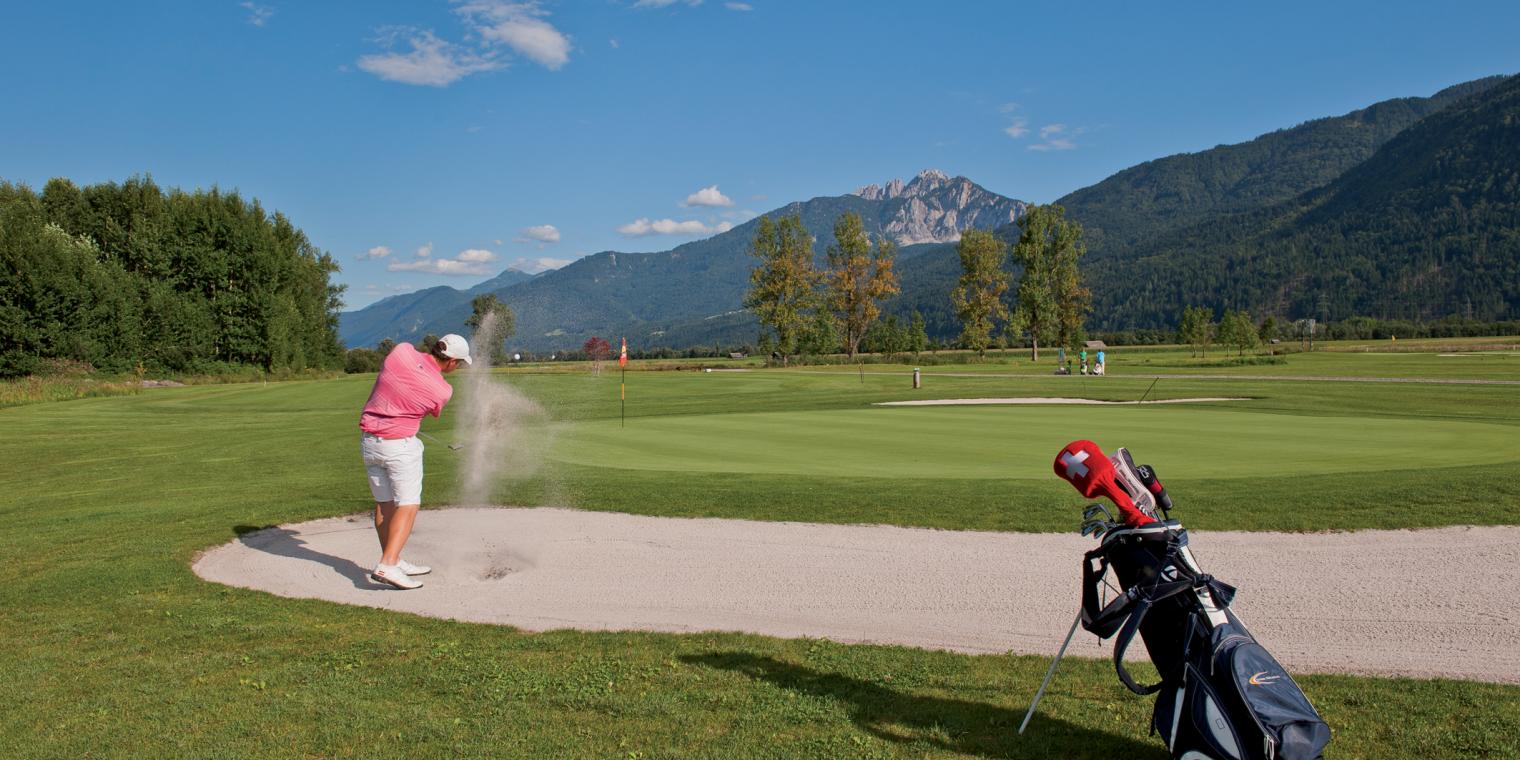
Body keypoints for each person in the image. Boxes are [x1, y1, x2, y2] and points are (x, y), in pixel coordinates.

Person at [358, 333, 472, 589]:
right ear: (452, 361)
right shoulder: (443, 390)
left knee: (385, 503)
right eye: (459, 363)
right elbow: (432, 409)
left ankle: (394, 559)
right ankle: (387, 565)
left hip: (369, 442)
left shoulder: (401, 351)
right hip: (399, 447)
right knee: (408, 504)